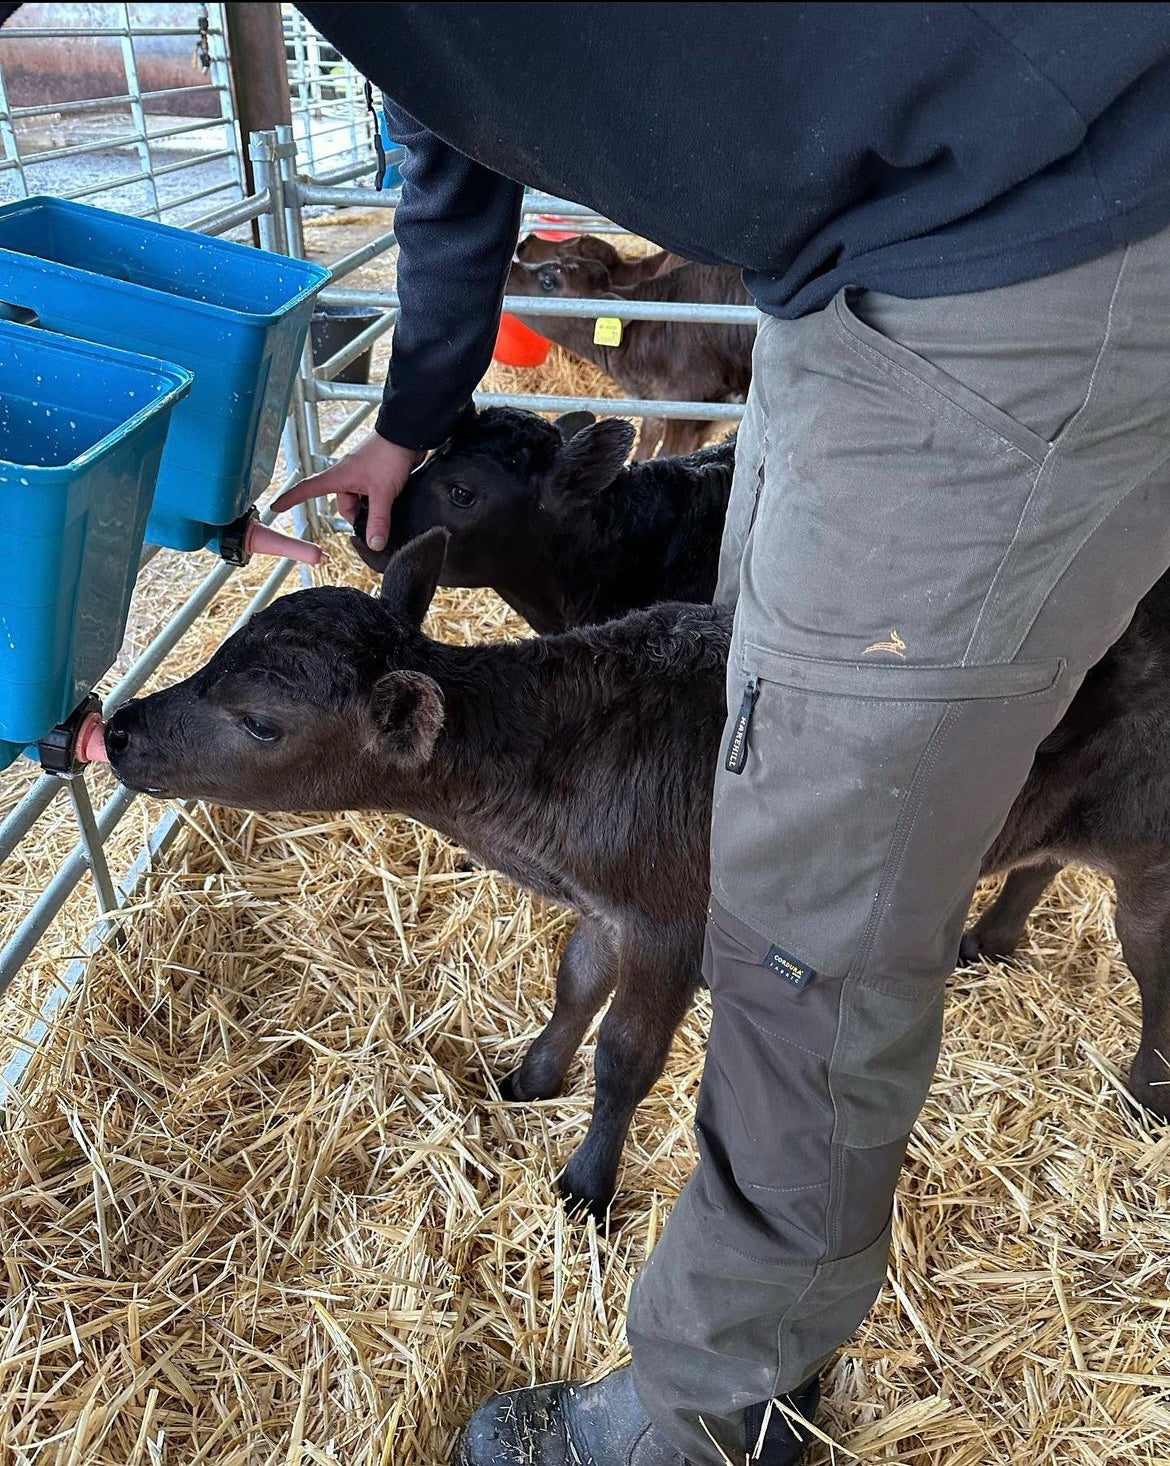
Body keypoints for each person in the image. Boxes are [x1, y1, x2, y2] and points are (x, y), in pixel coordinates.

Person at [277, 7, 1170, 1463]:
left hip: (1032, 223)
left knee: (808, 888)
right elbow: (447, 107)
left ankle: (712, 1409)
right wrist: (414, 412)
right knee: (737, 735)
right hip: (862, 253)